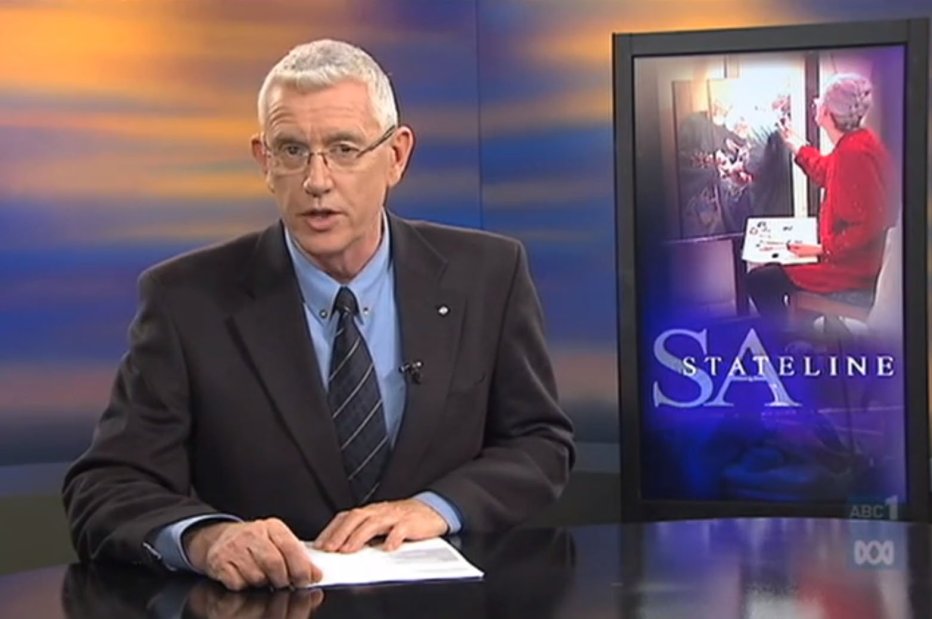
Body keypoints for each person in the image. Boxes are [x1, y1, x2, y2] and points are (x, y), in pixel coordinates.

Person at [62, 39, 575, 591]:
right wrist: (206, 539)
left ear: (396, 156)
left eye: (344, 149)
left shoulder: (487, 275)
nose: (317, 181)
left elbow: (538, 443)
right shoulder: (186, 301)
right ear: (264, 161)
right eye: (292, 150)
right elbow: (106, 487)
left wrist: (437, 507)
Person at [746, 73, 894, 323]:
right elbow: (827, 171)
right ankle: (798, 333)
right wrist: (797, 145)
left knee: (760, 281)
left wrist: (823, 248)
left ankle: (787, 341)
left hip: (853, 272)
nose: (815, 102)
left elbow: (870, 223)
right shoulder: (857, 143)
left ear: (827, 112)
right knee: (772, 275)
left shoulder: (854, 154)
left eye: (820, 99)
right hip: (854, 261)